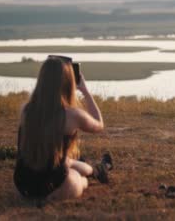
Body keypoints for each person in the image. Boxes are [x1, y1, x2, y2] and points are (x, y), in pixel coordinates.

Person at [13, 55, 113, 203]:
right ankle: (96, 171)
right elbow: (99, 124)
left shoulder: (26, 110)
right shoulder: (71, 115)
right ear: (67, 80)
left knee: (67, 161)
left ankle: (98, 169)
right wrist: (84, 90)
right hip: (52, 186)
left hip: (23, 185)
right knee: (79, 178)